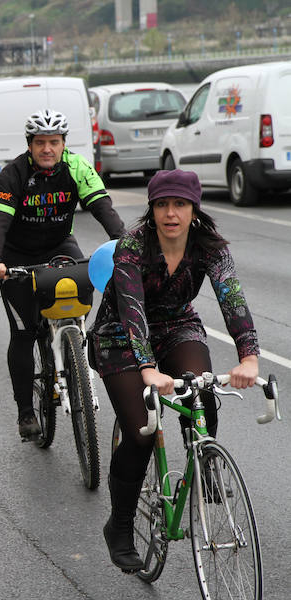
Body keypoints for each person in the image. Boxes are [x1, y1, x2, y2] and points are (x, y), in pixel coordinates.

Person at [88, 169, 259, 573]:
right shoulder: (133, 244)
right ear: (151, 210)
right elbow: (130, 307)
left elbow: (231, 297)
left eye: (179, 204)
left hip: (178, 324)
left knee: (203, 392)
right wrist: (146, 366)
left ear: (194, 210)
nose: (170, 213)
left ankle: (203, 461)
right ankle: (121, 525)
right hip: (119, 334)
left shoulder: (211, 247)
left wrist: (249, 356)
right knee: (141, 430)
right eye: (162, 204)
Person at [0, 109, 125, 439]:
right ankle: (25, 411)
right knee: (24, 332)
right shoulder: (14, 174)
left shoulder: (76, 167)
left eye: (54, 142)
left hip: (60, 246)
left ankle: (74, 355)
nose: (48, 149)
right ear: (30, 145)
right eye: (41, 142)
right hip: (17, 256)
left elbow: (104, 209)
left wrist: (126, 244)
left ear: (63, 145)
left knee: (82, 301)